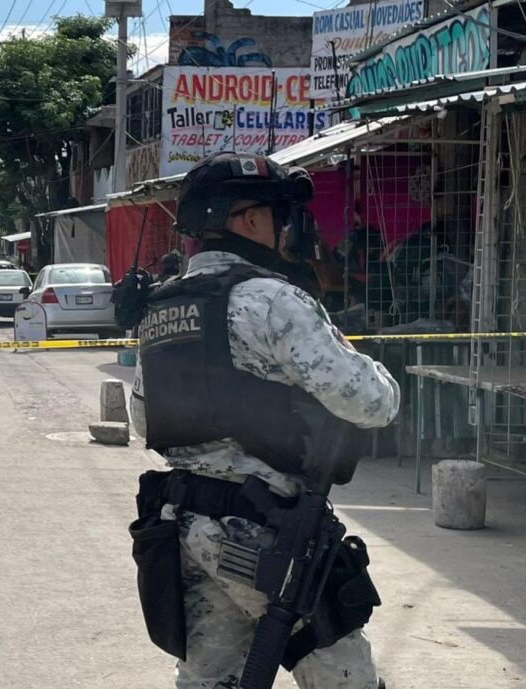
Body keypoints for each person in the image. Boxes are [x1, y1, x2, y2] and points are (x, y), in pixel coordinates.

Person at [127, 153, 400, 689]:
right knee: (344, 674)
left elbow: (143, 418)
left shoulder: (161, 307)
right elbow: (369, 401)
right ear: (247, 219)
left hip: (183, 525)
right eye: (279, 215)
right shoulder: (272, 300)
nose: (287, 232)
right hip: (267, 534)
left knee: (211, 678)